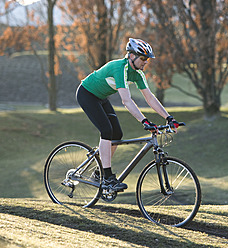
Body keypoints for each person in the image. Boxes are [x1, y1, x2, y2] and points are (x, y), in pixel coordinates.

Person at [76, 38, 180, 192]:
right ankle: (108, 177)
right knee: (106, 130)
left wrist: (169, 118)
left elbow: (150, 98)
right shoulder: (120, 68)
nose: (146, 62)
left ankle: (99, 172)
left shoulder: (138, 73)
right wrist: (144, 121)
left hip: (101, 98)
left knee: (117, 134)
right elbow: (126, 100)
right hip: (87, 94)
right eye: (143, 58)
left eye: (147, 59)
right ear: (131, 56)